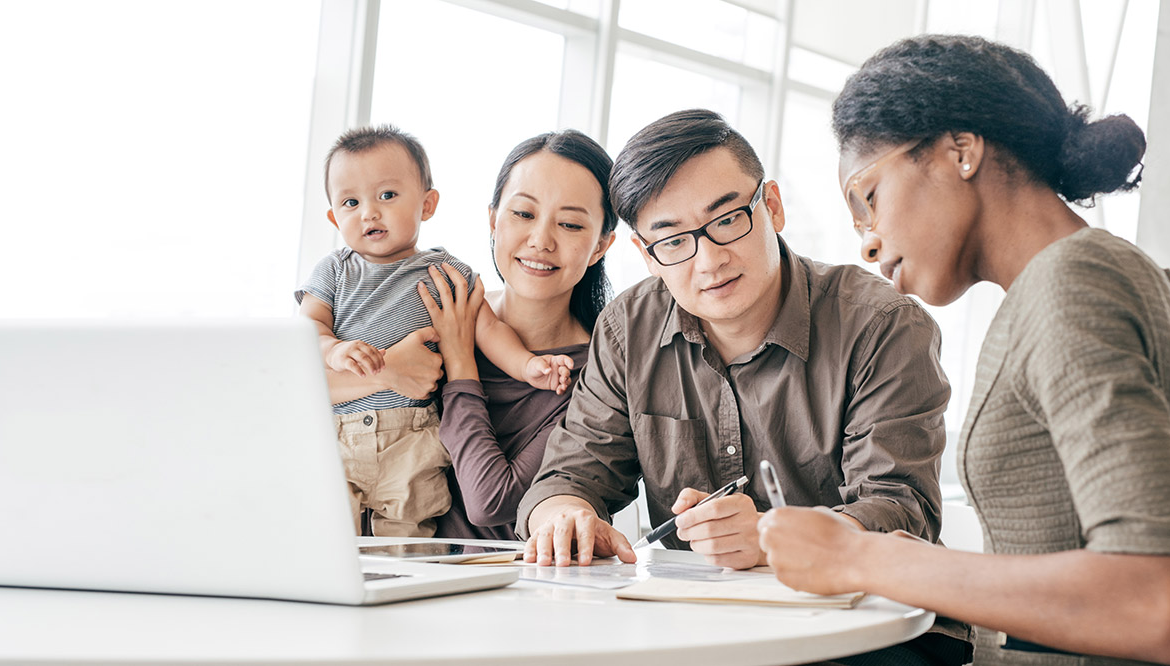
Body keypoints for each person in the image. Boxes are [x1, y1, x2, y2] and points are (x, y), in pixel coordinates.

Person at [757, 35, 1170, 666]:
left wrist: (863, 556)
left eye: (869, 198)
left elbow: (1158, 607)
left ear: (959, 151)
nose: (868, 244)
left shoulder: (1072, 287)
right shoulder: (1124, 280)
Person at [516, 109, 971, 664]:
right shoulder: (626, 329)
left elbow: (904, 510)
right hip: (704, 625)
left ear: (772, 206)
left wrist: (772, 537)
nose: (709, 260)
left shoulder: (881, 325)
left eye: (728, 219)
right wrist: (564, 514)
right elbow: (569, 474)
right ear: (646, 255)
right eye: (673, 241)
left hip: (874, 626)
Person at [296, 125, 573, 538]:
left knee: (406, 542)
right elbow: (307, 331)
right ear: (335, 217)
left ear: (427, 204)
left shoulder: (446, 273)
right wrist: (333, 351)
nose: (369, 212)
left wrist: (527, 365)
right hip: (338, 435)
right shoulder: (334, 272)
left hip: (414, 437)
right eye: (351, 202)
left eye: (387, 195)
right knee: (325, 538)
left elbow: (488, 328)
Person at [417, 131, 617, 540]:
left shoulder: (595, 376)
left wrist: (460, 364)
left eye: (570, 224)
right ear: (493, 220)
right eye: (523, 214)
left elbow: (491, 501)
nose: (541, 241)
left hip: (501, 590)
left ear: (600, 246)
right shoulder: (443, 308)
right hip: (375, 567)